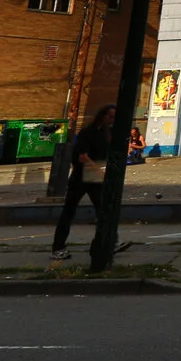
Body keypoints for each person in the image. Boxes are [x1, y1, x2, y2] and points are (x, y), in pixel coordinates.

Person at [50, 105, 129, 261]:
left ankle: (110, 242)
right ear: (102, 116)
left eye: (114, 118)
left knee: (104, 210)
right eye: (110, 117)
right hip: (81, 177)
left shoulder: (108, 133)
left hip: (95, 179)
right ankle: (58, 247)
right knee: (69, 211)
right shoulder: (88, 132)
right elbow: (82, 156)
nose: (112, 121)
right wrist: (99, 170)